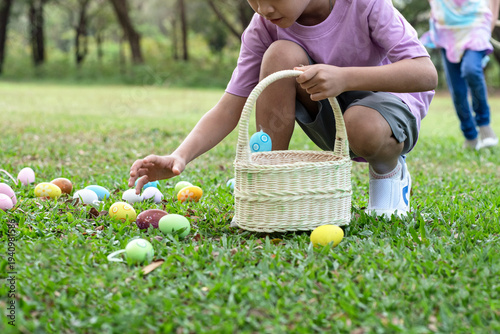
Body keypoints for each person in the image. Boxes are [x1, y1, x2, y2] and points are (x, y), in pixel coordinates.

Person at [129, 0, 437, 218]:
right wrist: (179, 156)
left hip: (385, 111)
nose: (265, 9)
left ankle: (388, 174)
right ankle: (272, 183)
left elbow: (425, 73)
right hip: (332, 116)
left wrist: (344, 78)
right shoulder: (263, 27)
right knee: (280, 53)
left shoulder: (364, 4)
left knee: (361, 124)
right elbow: (229, 107)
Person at [421, 0, 500, 150]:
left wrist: (491, 21)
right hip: (447, 29)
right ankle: (470, 135)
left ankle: (484, 124)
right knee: (457, 90)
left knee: (471, 69)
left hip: (476, 25)